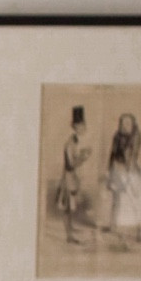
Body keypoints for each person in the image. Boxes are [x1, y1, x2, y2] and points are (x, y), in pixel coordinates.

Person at [105, 111, 141, 245]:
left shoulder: (136, 136)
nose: (124, 125)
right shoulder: (117, 136)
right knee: (115, 200)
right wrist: (110, 170)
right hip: (117, 168)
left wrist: (128, 174)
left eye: (127, 123)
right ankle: (112, 226)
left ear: (133, 124)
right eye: (122, 123)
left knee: (135, 200)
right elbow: (112, 153)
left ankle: (140, 231)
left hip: (130, 169)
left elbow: (132, 155)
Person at [55, 104, 93, 244]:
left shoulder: (77, 141)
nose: (82, 128)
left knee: (71, 207)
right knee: (67, 207)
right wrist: (84, 157)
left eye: (83, 126)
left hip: (73, 178)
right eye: (79, 126)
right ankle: (69, 236)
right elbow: (71, 165)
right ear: (74, 127)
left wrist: (83, 155)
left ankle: (70, 229)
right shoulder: (70, 143)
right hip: (68, 178)